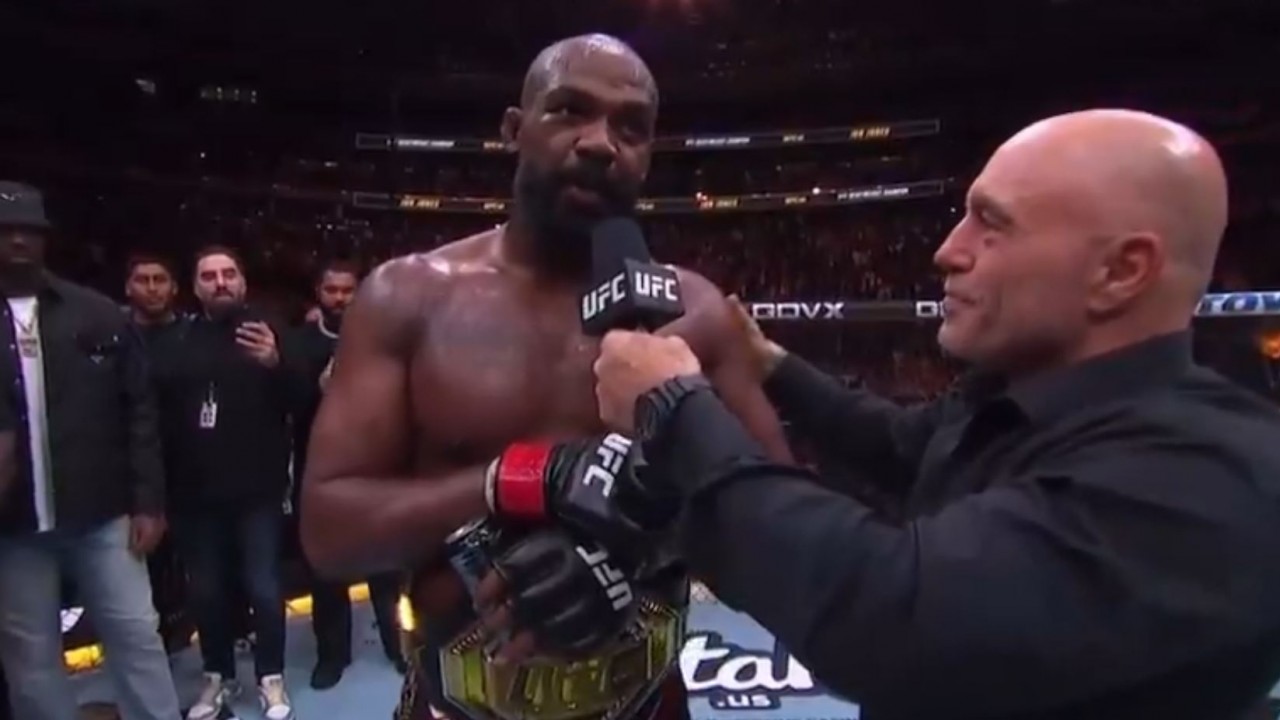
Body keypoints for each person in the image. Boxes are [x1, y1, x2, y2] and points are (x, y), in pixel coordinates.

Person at [590, 110, 1280, 720]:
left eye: (992, 224)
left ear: (1120, 272)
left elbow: (896, 620)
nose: (947, 250)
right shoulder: (1019, 395)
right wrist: (774, 364)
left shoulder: (1211, 475)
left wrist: (675, 411)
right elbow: (899, 443)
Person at [301, 34, 791, 720]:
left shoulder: (696, 312)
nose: (600, 143)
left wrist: (632, 549)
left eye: (630, 127)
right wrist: (524, 480)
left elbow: (780, 534)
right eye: (570, 110)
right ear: (513, 129)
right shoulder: (407, 298)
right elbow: (330, 531)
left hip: (645, 702)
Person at [0, 182, 180, 720]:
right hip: (12, 527)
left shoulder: (96, 313)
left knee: (137, 635)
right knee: (30, 658)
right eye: (6, 231)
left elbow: (140, 410)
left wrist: (149, 501)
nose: (17, 241)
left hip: (102, 514)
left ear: (45, 239)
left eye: (28, 231)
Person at [151, 246, 295, 720]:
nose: (220, 282)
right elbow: (160, 417)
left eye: (229, 273)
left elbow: (301, 402)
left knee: (264, 589)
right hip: (195, 496)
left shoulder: (270, 331)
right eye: (209, 276)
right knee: (206, 593)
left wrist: (276, 364)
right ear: (195, 287)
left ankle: (271, 677)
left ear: (243, 282)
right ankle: (218, 675)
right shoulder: (178, 339)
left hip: (258, 492)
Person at [291, 260, 405, 688]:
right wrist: (321, 388)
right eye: (331, 290)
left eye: (347, 290)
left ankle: (397, 645)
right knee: (326, 571)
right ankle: (331, 655)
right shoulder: (300, 343)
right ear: (318, 294)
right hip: (322, 474)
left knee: (387, 569)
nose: (340, 298)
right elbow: (288, 403)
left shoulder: (383, 339)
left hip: (377, 471)